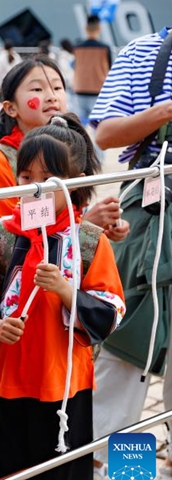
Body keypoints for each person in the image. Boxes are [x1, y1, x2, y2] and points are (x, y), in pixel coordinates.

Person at [0, 117, 125, 480]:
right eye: (25, 177)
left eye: (48, 180)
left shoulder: (88, 241)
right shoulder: (3, 234)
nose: (34, 188)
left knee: (59, 469)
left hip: (62, 385)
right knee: (5, 465)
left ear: (73, 184)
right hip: (2, 379)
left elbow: (113, 308)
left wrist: (67, 290)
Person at [89, 26, 172, 480]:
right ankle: (120, 473)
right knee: (126, 354)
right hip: (148, 223)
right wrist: (165, 111)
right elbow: (105, 135)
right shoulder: (144, 52)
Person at [0, 56, 130, 242]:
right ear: (10, 108)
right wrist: (85, 226)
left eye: (57, 88)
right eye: (37, 89)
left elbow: (72, 212)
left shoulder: (70, 150)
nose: (52, 96)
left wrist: (103, 226)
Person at [74, 15, 111, 125]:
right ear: (99, 27)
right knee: (99, 126)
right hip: (98, 91)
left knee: (79, 126)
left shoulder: (77, 48)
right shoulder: (105, 48)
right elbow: (109, 68)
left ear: (86, 28)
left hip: (80, 89)